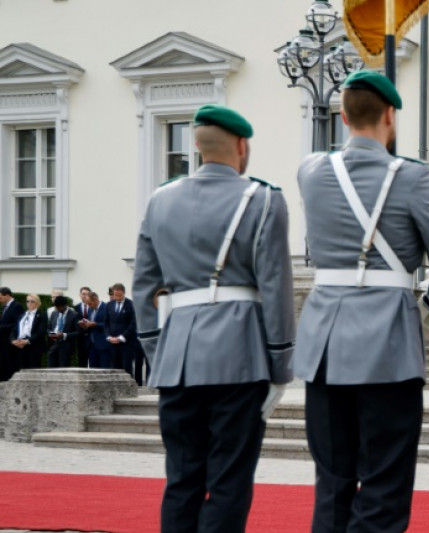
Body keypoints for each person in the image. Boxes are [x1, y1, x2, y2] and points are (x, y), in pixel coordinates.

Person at [295, 70, 429, 532]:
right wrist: (426, 320)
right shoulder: (413, 178)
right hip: (388, 347)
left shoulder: (310, 171)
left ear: (343, 115)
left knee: (331, 485)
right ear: (390, 115)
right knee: (384, 487)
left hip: (324, 347)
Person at [133, 104, 296, 533]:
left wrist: (157, 351)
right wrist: (280, 365)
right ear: (242, 146)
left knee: (182, 477)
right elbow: (276, 287)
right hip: (239, 354)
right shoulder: (262, 198)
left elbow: (144, 288)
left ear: (197, 146)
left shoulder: (160, 200)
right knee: (229, 479)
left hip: (177, 358)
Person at [101, 283, 138, 382]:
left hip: (126, 342)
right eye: (115, 295)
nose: (117, 298)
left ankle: (129, 386)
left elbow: (133, 324)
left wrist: (122, 337)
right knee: (114, 366)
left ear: (124, 293)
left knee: (126, 366)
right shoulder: (109, 305)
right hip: (112, 341)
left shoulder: (131, 305)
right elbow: (106, 322)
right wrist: (108, 336)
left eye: (119, 295)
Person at [11, 293, 47, 371]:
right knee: (20, 369)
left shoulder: (41, 315)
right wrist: (13, 340)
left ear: (37, 303)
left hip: (33, 345)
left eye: (32, 301)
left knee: (33, 370)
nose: (29, 303)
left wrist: (27, 341)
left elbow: (41, 331)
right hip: (20, 345)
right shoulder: (22, 315)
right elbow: (14, 329)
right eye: (28, 301)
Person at [0, 287, 25, 381]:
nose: (0, 300)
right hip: (3, 342)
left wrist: (2, 327)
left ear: (7, 295)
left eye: (0, 297)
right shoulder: (4, 307)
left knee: (10, 365)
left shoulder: (16, 306)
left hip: (11, 342)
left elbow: (17, 323)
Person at [47, 295, 80, 368]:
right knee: (50, 362)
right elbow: (48, 328)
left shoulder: (74, 315)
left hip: (66, 345)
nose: (58, 309)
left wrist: (64, 335)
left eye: (59, 307)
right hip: (55, 343)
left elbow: (78, 332)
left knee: (63, 367)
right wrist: (53, 335)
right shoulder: (54, 313)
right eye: (56, 307)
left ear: (65, 306)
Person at [82, 292, 112, 369]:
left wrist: (96, 324)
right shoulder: (90, 309)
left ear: (96, 300)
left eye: (90, 303)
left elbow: (109, 325)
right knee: (93, 369)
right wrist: (85, 325)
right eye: (87, 304)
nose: (89, 306)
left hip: (103, 344)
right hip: (92, 344)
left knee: (104, 369)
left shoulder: (106, 308)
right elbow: (90, 323)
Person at [75, 286, 92, 368]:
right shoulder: (76, 308)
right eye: (83, 294)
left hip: (91, 337)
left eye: (87, 294)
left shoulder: (93, 307)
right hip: (80, 338)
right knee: (81, 361)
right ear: (80, 295)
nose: (85, 296)